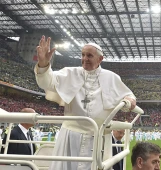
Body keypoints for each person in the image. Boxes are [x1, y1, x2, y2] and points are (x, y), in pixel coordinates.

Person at [34, 36, 136, 170]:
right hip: (70, 135)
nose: (85, 59)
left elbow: (128, 95)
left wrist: (129, 100)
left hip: (98, 137)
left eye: (89, 55)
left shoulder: (111, 77)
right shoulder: (70, 73)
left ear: (100, 59)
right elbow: (46, 82)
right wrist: (43, 64)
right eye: (83, 55)